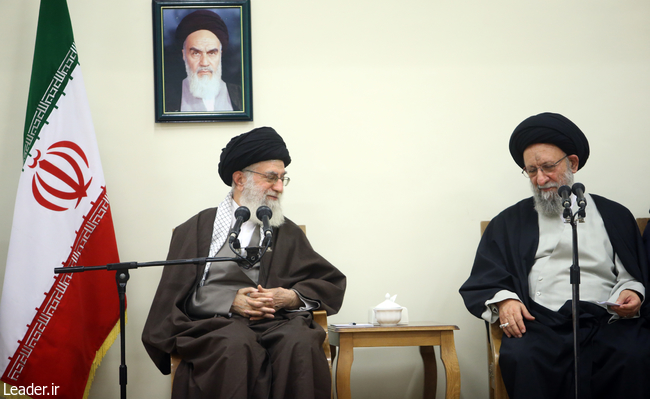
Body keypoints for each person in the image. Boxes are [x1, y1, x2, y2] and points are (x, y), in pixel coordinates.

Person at [142, 127, 346, 399]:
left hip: (277, 323)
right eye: (271, 177)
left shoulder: (286, 230)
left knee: (299, 342)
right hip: (216, 326)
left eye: (283, 178)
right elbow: (176, 299)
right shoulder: (195, 229)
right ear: (239, 179)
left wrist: (291, 297)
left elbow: (328, 282)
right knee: (235, 345)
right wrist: (228, 301)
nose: (280, 187)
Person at [459, 112, 650, 399]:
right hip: (542, 325)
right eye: (531, 170)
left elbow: (632, 274)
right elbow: (486, 278)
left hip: (607, 321)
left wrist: (632, 293)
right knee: (523, 356)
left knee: (635, 354)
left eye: (548, 167)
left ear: (572, 163)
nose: (540, 178)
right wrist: (506, 299)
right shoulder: (509, 222)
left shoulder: (615, 215)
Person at [171, 9, 242, 112]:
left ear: (220, 55)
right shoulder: (167, 98)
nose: (204, 63)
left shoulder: (240, 95)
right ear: (184, 55)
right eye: (196, 53)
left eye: (212, 53)